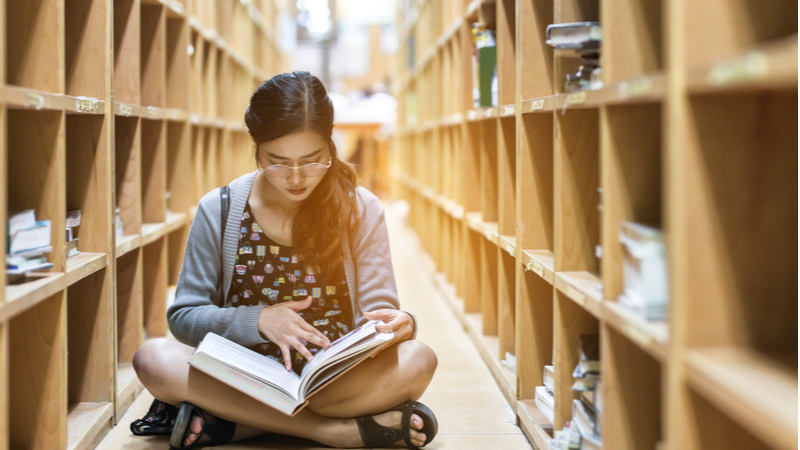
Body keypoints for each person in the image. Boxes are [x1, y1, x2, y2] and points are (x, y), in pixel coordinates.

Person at [132, 71, 439, 449]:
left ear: (330, 146)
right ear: (257, 148)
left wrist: (399, 325)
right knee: (153, 357)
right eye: (277, 162)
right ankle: (330, 431)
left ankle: (236, 422)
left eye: (313, 161)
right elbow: (183, 317)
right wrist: (258, 320)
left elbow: (377, 314)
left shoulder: (360, 208)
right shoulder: (221, 208)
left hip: (331, 378)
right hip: (242, 373)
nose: (296, 178)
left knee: (419, 358)